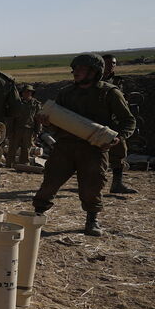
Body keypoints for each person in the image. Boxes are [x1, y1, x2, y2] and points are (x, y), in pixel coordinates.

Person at [32, 53, 136, 237]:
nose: (75, 72)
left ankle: (92, 220)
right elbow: (57, 121)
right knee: (50, 182)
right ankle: (37, 216)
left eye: (80, 68)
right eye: (74, 68)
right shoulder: (66, 93)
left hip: (94, 148)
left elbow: (128, 120)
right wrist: (47, 123)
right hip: (64, 147)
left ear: (94, 71)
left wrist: (118, 138)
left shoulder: (109, 93)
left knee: (92, 185)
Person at [102, 54, 135, 194]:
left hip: (114, 122)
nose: (111, 66)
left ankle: (117, 184)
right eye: (108, 63)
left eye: (114, 63)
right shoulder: (91, 81)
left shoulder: (118, 81)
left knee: (119, 151)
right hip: (97, 121)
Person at [9, 85, 41, 166]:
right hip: (17, 128)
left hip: (29, 129)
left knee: (26, 148)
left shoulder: (36, 104)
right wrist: (10, 130)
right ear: (22, 93)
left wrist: (37, 131)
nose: (26, 93)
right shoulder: (17, 103)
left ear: (31, 93)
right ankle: (9, 163)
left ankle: (24, 164)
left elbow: (38, 118)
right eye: (25, 92)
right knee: (13, 146)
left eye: (28, 92)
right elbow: (12, 118)